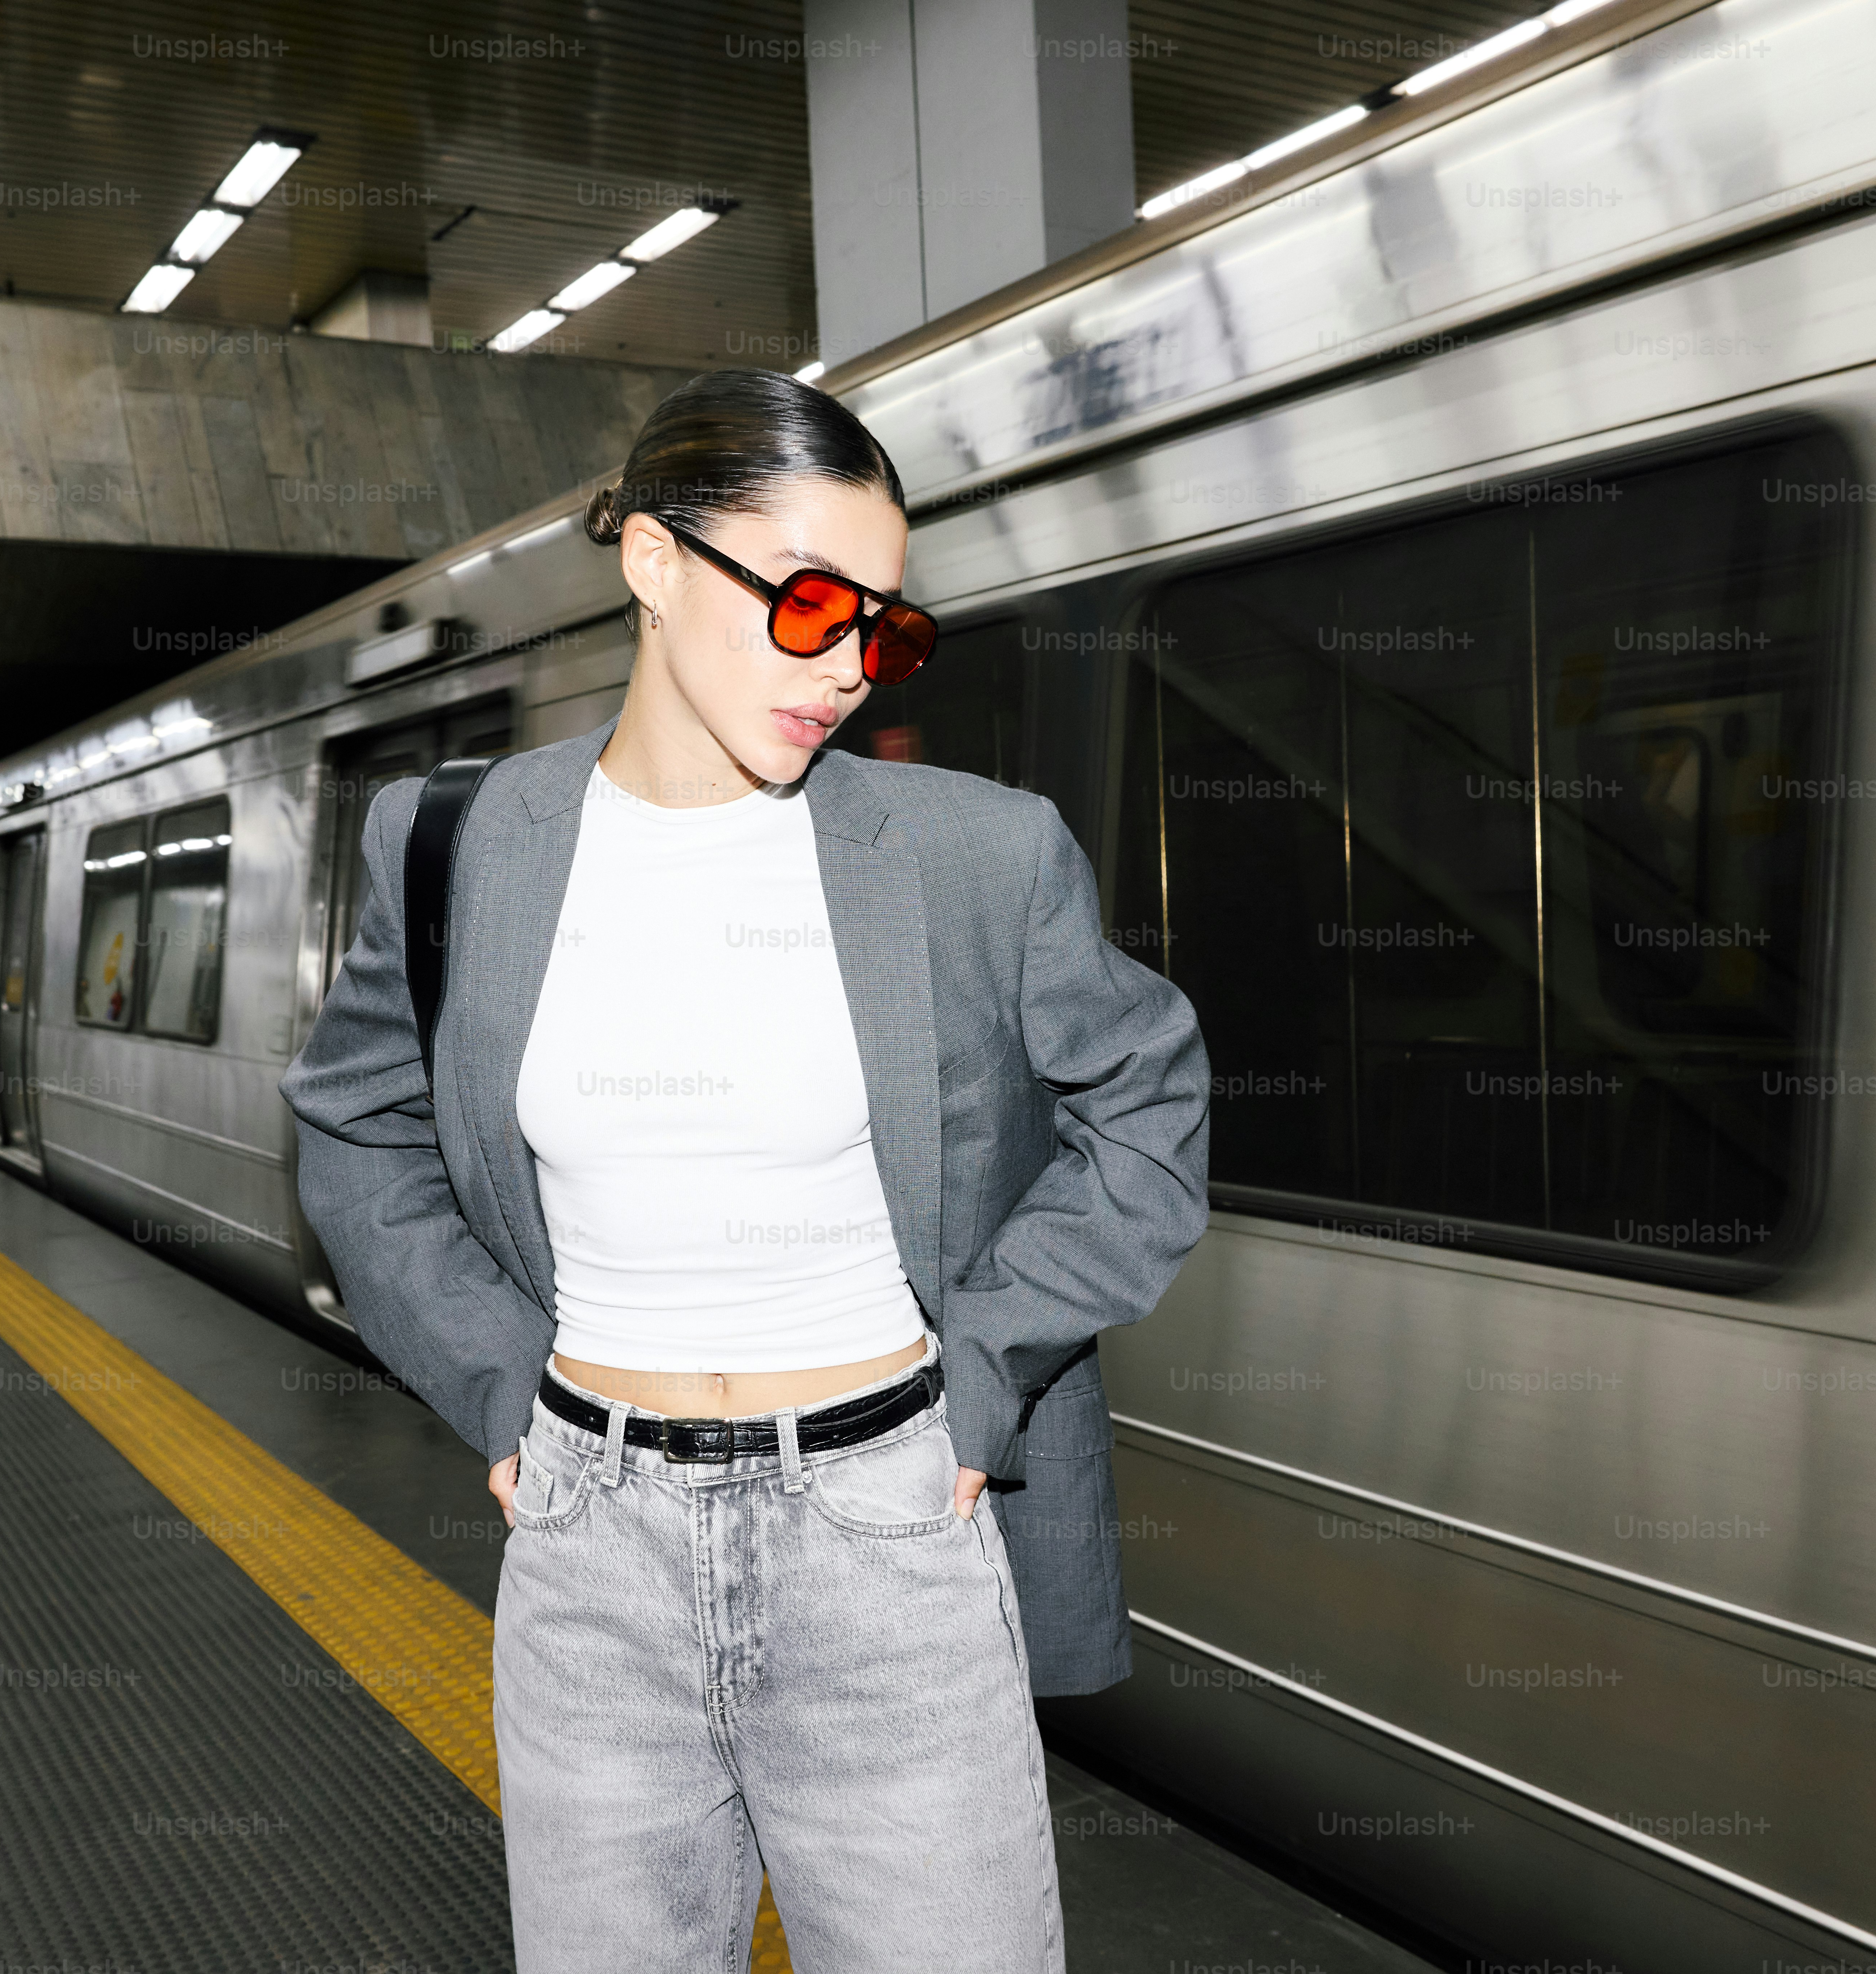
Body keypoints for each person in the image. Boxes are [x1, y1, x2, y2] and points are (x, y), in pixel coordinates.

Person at [281, 367, 1209, 1973]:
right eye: (811, 604)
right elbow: (356, 1130)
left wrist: (981, 1381)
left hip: (884, 1526)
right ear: (653, 562)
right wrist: (499, 1386)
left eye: (886, 629)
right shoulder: (452, 844)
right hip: (589, 1547)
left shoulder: (976, 852)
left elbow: (1150, 1108)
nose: (848, 665)